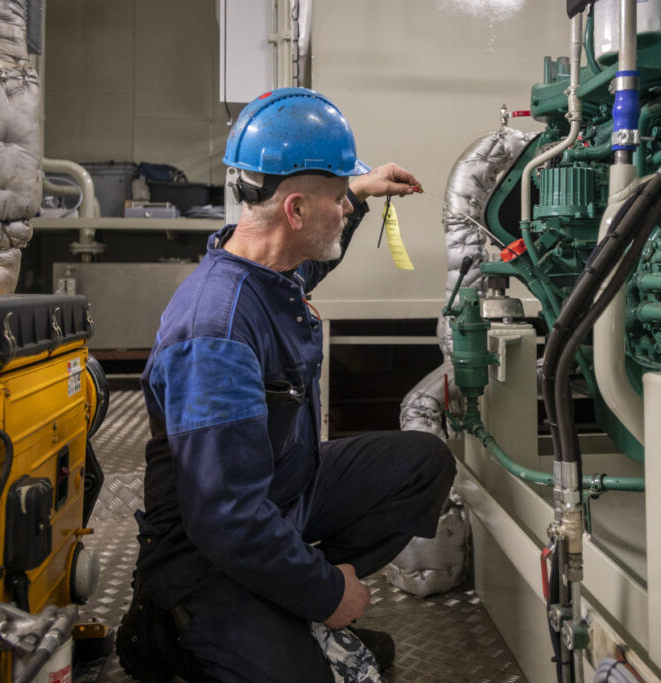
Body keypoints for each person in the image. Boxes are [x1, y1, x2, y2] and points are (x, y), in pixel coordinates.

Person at [115, 88, 456, 683]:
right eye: (336, 200)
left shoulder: (268, 269)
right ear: (295, 210)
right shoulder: (215, 332)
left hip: (281, 491)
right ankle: (183, 629)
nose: (345, 210)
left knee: (421, 465)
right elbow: (223, 514)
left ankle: (280, 593)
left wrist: (361, 188)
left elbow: (314, 258)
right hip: (207, 552)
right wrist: (328, 593)